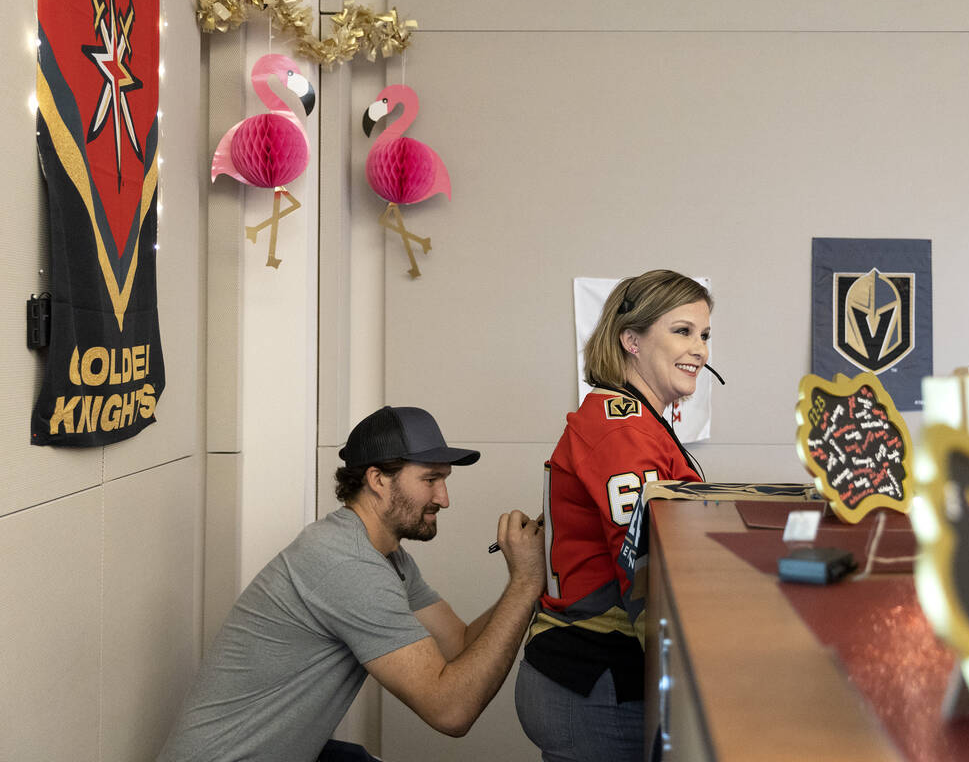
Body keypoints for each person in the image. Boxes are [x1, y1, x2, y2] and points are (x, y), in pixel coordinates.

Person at [158, 406, 546, 762]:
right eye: (430, 479)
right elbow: (451, 711)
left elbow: (459, 644)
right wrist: (526, 584)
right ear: (377, 479)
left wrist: (524, 577)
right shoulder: (347, 564)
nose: (444, 499)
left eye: (444, 480)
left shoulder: (387, 558)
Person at [515, 270, 712, 762]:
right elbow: (646, 567)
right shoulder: (620, 428)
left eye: (705, 335)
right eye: (682, 331)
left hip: (598, 677)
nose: (701, 350)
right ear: (631, 340)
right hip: (595, 679)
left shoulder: (638, 423)